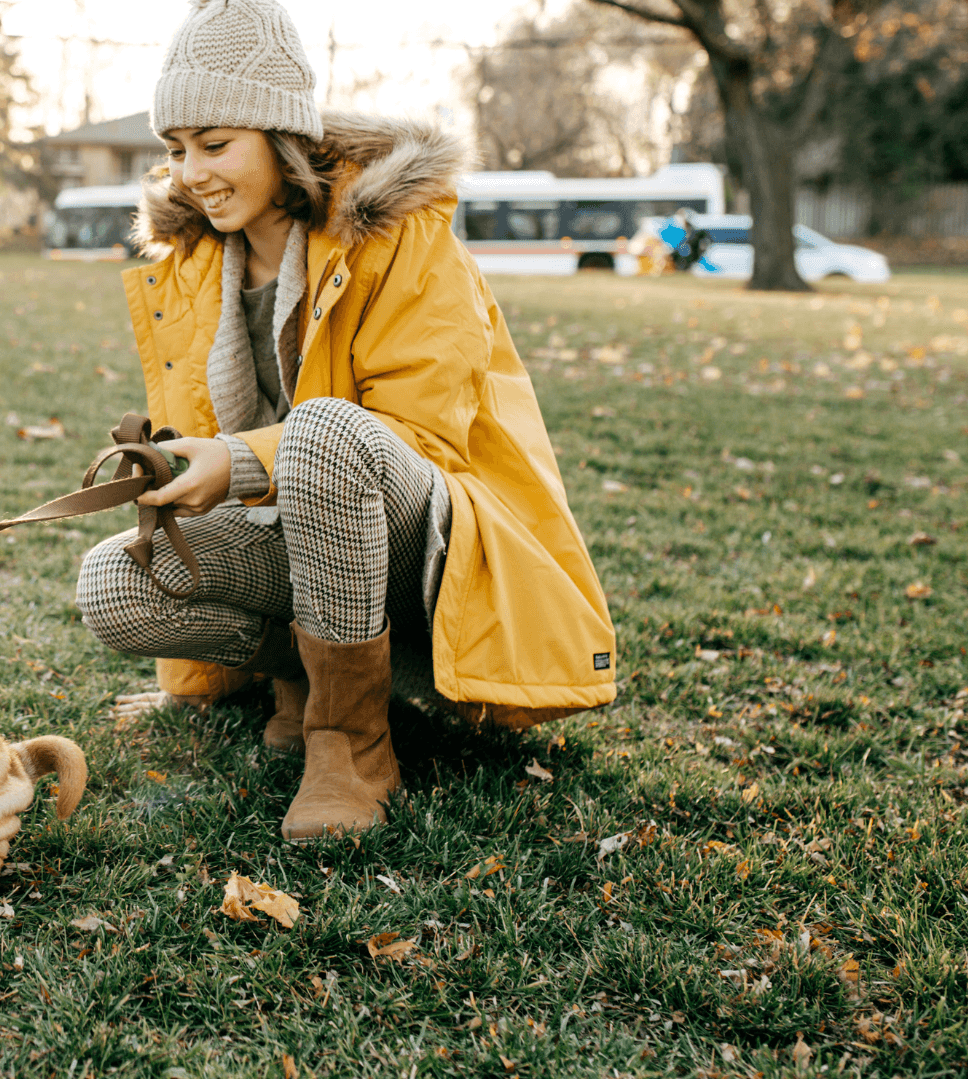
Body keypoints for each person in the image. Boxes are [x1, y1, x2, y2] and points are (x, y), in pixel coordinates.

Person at [74, 0, 617, 842]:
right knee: (113, 582)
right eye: (176, 151)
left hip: (422, 536)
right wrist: (181, 467)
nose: (190, 174)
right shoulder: (189, 262)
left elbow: (415, 433)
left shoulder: (398, 232)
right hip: (294, 536)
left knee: (328, 430)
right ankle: (307, 679)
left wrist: (237, 458)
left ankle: (353, 744)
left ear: (279, 134)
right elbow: (217, 442)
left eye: (215, 145)